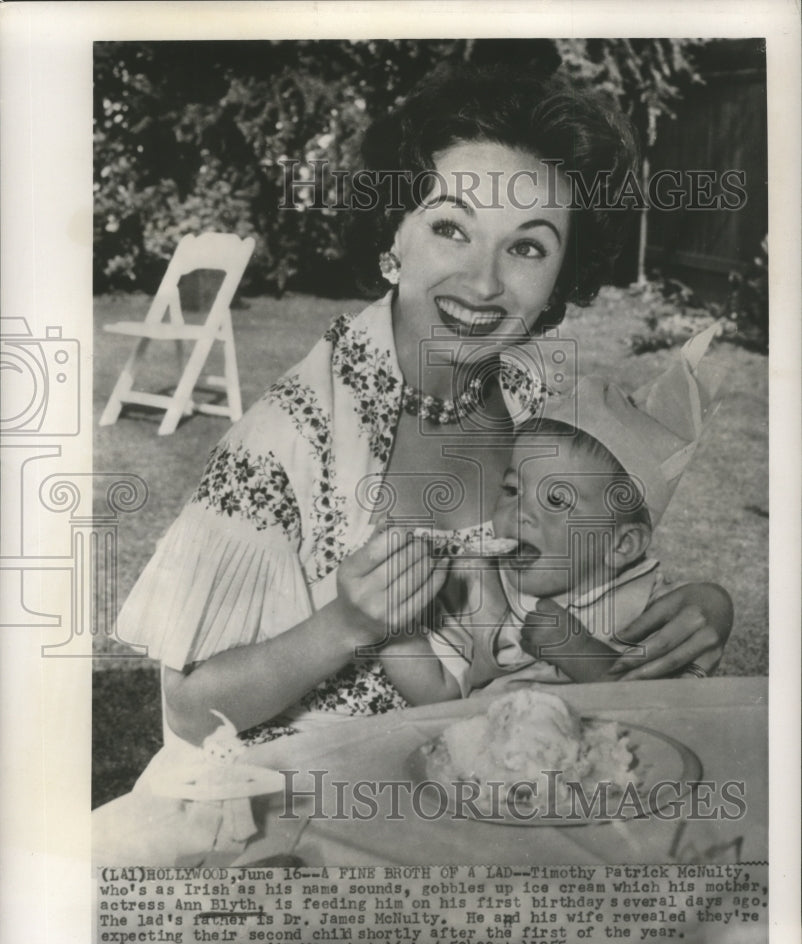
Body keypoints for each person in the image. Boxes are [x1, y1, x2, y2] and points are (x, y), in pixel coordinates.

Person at [116, 63, 733, 752]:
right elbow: (189, 709)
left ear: (560, 277)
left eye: (527, 247)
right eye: (451, 228)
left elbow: (603, 564)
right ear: (395, 235)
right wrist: (345, 624)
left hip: (499, 783)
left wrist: (706, 607)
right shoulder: (286, 437)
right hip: (304, 807)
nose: (483, 282)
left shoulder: (542, 399)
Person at [380, 324, 732, 703]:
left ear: (621, 545)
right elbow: (435, 692)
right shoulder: (479, 588)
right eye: (512, 490)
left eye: (558, 501)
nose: (521, 513)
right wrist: (390, 616)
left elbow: (666, 705)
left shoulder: (647, 604)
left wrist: (577, 650)